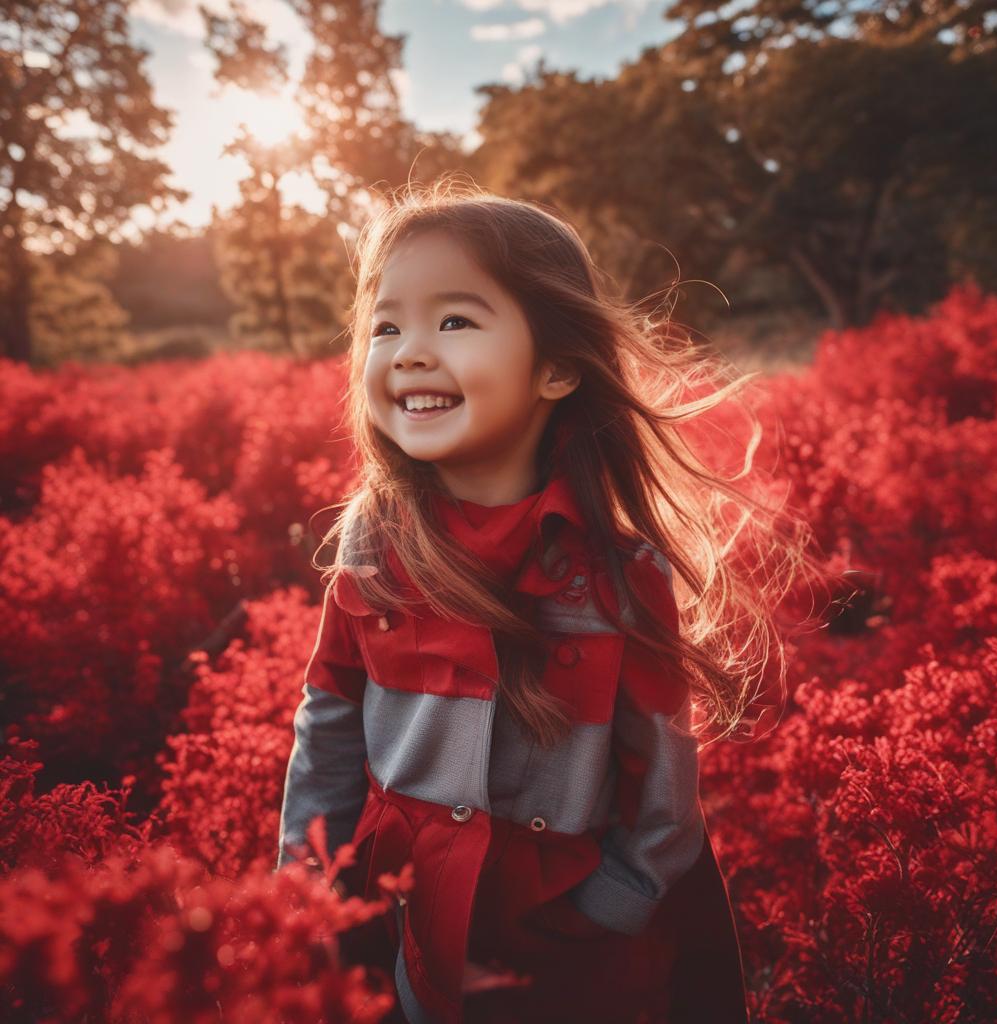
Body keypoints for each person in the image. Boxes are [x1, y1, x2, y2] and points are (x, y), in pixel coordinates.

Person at [276, 177, 823, 1024]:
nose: (410, 351)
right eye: (386, 326)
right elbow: (331, 718)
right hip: (417, 928)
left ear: (559, 366)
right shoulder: (372, 541)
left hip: (578, 964)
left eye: (454, 320)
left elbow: (663, 795)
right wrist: (308, 886)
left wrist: (606, 910)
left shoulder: (619, 573)